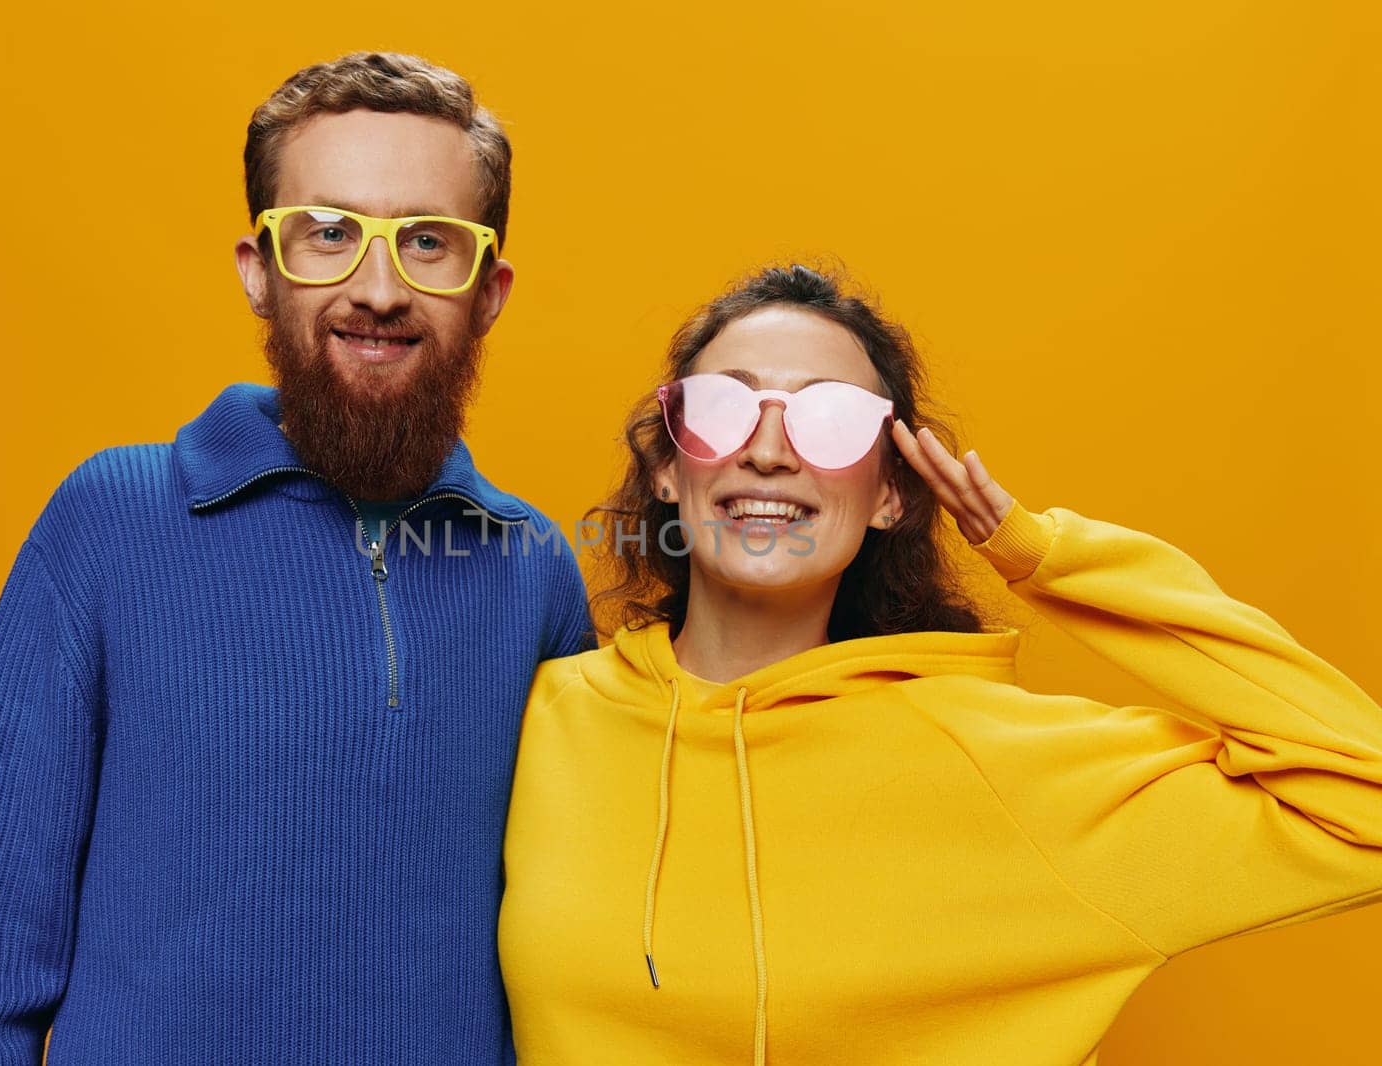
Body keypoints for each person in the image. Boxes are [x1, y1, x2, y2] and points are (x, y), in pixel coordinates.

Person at [499, 264, 1382, 1065]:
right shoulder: (536, 718)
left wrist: (1044, 557)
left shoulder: (1004, 767)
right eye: (725, 408)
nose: (767, 451)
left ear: (891, 492)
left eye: (832, 419)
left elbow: (1364, 802)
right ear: (664, 466)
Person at [0, 52, 593, 1065]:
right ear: (258, 270)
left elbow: (595, 932)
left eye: (430, 242)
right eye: (327, 234)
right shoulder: (112, 522)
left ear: (489, 291)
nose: (379, 287)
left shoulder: (532, 567)